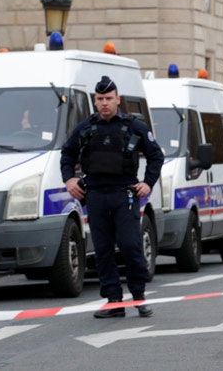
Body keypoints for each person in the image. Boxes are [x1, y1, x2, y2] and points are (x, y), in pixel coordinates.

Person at [60, 76, 164, 318]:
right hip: (95, 196)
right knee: (103, 250)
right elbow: (67, 153)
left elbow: (156, 156)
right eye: (100, 99)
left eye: (109, 98)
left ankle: (139, 296)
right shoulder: (86, 128)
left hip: (124, 196)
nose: (104, 103)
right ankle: (113, 301)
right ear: (94, 102)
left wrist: (147, 183)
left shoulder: (133, 127)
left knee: (130, 245)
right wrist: (69, 179)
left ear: (117, 100)